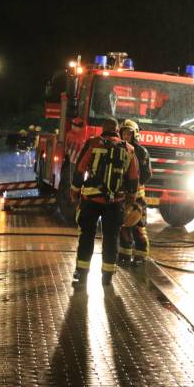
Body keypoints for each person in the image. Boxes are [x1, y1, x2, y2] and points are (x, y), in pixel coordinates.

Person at [70, 118, 139, 286]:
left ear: (103, 129)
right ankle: (107, 276)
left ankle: (82, 274)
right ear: (117, 130)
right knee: (111, 237)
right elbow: (133, 178)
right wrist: (130, 200)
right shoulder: (129, 149)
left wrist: (75, 193)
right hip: (116, 201)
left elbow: (79, 170)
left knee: (87, 235)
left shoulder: (93, 143)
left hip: (91, 200)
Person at [118, 119, 152, 267]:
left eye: (129, 134)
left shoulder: (141, 152)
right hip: (123, 195)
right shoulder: (119, 148)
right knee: (123, 226)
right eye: (124, 133)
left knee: (139, 227)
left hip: (138, 196)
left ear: (135, 135)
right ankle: (125, 254)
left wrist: (135, 184)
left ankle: (141, 255)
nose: (126, 136)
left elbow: (147, 174)